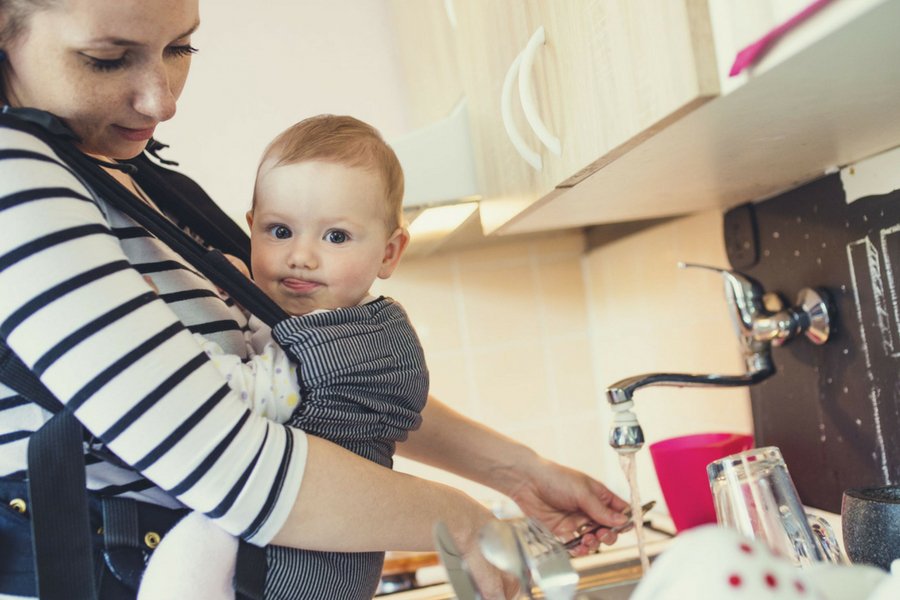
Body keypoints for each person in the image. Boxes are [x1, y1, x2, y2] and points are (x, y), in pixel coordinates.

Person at [0, 1, 629, 599]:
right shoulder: (15, 174)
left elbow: (313, 381)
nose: (160, 99)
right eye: (107, 58)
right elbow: (228, 463)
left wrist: (516, 472)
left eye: (179, 47)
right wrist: (466, 524)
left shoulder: (132, 178)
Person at [140, 113, 428, 600]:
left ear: (389, 253)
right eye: (278, 232)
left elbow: (245, 396)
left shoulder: (360, 343)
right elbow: (265, 344)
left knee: (196, 540)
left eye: (335, 236)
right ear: (250, 228)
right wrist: (235, 295)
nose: (301, 256)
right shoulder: (305, 318)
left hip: (308, 566)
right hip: (301, 541)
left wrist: (154, 329)